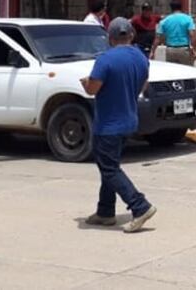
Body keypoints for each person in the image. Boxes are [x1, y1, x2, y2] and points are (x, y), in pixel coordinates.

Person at [80, 18, 157, 233]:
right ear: (131, 35)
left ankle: (140, 206)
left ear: (110, 37)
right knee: (109, 165)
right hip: (129, 120)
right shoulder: (141, 57)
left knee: (109, 168)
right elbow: (143, 85)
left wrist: (87, 83)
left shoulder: (105, 59)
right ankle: (105, 212)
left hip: (108, 124)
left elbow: (93, 89)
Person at [152, 0, 196, 66]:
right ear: (181, 7)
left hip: (170, 50)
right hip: (184, 49)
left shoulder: (164, 21)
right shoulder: (188, 19)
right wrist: (195, 50)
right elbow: (192, 35)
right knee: (187, 72)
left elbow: (157, 38)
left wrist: (153, 52)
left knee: (173, 73)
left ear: (171, 8)